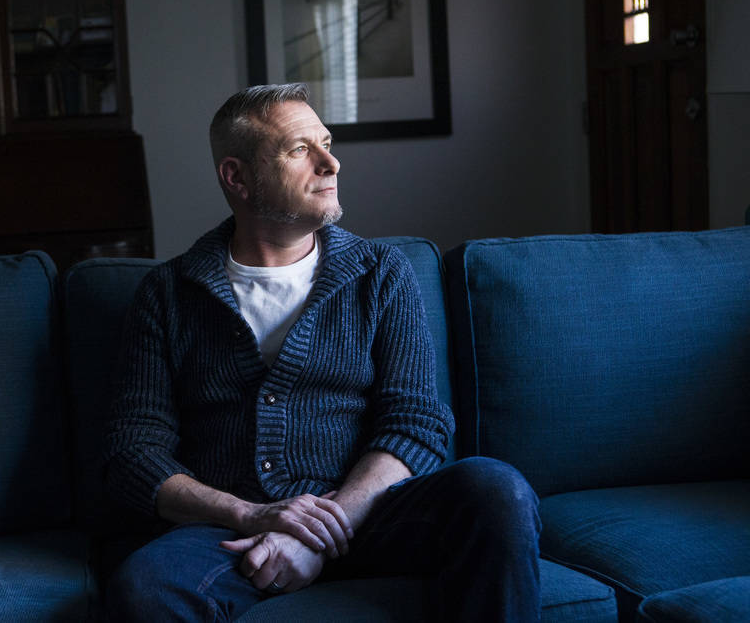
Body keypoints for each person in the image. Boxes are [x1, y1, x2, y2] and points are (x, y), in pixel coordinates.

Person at [103, 84, 540, 622]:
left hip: (372, 511)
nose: (331, 163)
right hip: (234, 532)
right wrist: (255, 515)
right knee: (145, 588)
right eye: (299, 150)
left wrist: (322, 529)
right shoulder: (168, 295)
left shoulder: (380, 274)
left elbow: (415, 423)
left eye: (327, 142)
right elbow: (134, 453)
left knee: (497, 491)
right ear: (236, 177)